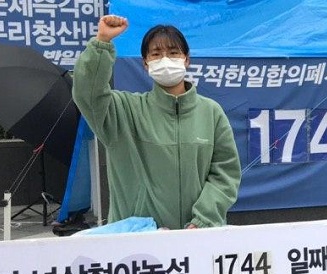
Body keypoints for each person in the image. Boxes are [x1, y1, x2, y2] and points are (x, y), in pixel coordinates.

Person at [73, 15, 241, 229]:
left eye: (173, 53)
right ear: (145, 63)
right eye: (156, 54)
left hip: (198, 238)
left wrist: (202, 221)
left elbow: (225, 174)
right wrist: (101, 43)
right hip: (138, 242)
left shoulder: (211, 112)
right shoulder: (123, 111)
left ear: (186, 59)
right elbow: (88, 93)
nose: (165, 60)